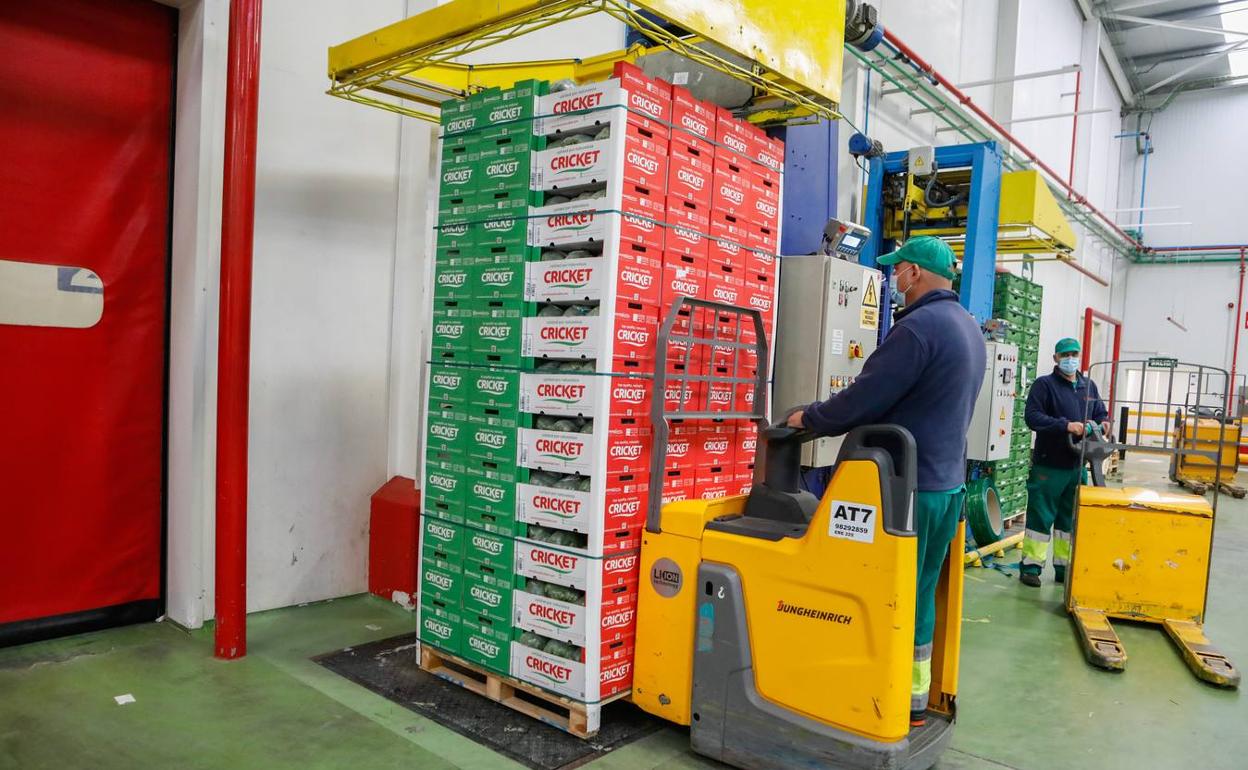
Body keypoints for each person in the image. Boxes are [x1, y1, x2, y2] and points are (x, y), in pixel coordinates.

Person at [786, 235, 985, 726]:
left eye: (898, 271)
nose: (894, 279)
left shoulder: (917, 330)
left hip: (904, 490)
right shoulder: (968, 328)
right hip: (945, 487)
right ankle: (911, 702)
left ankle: (872, 694)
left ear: (914, 273)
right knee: (918, 593)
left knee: (879, 592)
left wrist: (805, 418)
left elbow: (864, 398)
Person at [1019, 337, 1110, 588]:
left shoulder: (1088, 386)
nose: (1070, 359)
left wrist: (1102, 424)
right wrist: (1065, 425)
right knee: (1040, 517)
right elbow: (1033, 417)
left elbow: (1101, 413)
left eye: (1074, 354)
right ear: (1056, 359)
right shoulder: (1044, 386)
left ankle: (1064, 568)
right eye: (1065, 355)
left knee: (1068, 521)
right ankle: (1031, 567)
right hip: (1049, 466)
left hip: (1077, 465)